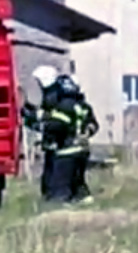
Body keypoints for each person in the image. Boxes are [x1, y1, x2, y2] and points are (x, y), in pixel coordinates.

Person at [23, 66, 98, 204]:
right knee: (78, 185)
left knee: (59, 190)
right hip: (81, 151)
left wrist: (35, 123)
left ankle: (63, 211)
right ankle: (84, 202)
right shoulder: (83, 106)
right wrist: (86, 133)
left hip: (65, 152)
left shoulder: (64, 106)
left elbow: (57, 125)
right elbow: (93, 125)